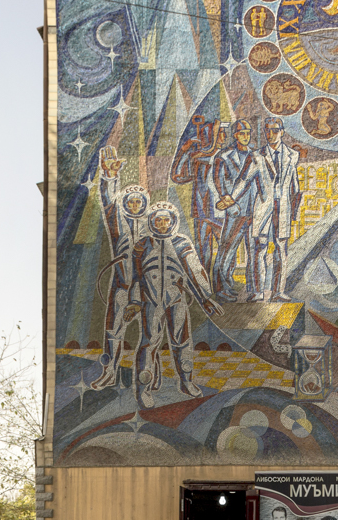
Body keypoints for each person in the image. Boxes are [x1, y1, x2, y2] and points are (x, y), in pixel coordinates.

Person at [129, 203, 222, 407]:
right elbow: (135, 276)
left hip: (176, 298)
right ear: (152, 222)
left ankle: (186, 381)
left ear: (173, 221)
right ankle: (144, 388)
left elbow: (195, 271)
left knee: (182, 340)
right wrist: (135, 301)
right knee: (149, 342)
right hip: (151, 300)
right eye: (158, 221)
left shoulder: (181, 242)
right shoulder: (143, 244)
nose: (162, 225)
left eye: (166, 220)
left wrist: (205, 297)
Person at [92, 150, 146, 391]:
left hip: (147, 288)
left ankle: (147, 379)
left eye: (138, 202)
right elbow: (107, 201)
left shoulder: (153, 227)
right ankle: (110, 372)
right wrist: (109, 175)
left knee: (151, 333)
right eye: (130, 202)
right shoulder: (118, 221)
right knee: (113, 329)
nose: (134, 205)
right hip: (122, 282)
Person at [211, 119, 263, 302]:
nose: (246, 136)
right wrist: (229, 204)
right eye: (242, 133)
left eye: (248, 133)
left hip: (254, 210)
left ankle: (253, 288)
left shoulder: (256, 156)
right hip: (235, 210)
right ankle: (221, 287)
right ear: (235, 135)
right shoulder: (224, 156)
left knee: (253, 250)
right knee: (227, 249)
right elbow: (219, 182)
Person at [170, 116, 223, 272]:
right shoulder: (197, 159)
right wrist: (185, 150)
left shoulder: (226, 155)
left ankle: (222, 288)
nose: (224, 137)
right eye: (220, 133)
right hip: (202, 212)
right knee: (203, 255)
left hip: (221, 213)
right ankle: (203, 287)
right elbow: (178, 176)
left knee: (225, 253)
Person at [256, 117, 301, 301]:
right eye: (267, 130)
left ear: (282, 132)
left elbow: (295, 186)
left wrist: (294, 212)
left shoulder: (292, 155)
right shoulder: (257, 155)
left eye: (275, 130)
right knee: (260, 248)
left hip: (282, 209)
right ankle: (260, 291)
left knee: (282, 250)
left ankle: (279, 291)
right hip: (263, 208)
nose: (271, 134)